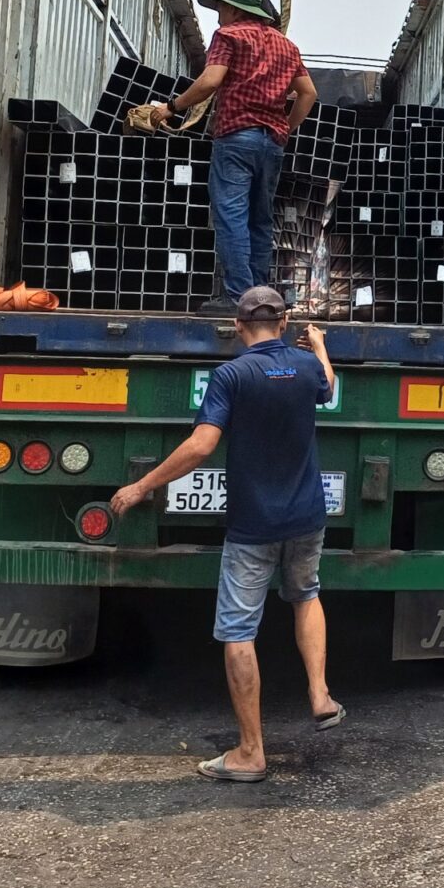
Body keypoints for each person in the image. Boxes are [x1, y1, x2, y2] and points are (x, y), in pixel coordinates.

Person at [110, 286, 346, 782]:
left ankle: (251, 753)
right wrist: (320, 345)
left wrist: (142, 485)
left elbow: (200, 446)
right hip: (308, 518)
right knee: (306, 593)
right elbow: (326, 381)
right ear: (283, 325)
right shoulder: (305, 370)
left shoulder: (232, 376)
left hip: (253, 526)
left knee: (240, 630)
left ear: (238, 328)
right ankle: (321, 695)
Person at [162, 0, 317, 314]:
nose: (218, 16)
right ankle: (261, 299)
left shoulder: (228, 36)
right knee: (260, 220)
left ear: (233, 8)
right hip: (271, 144)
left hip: (236, 137)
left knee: (231, 217)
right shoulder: (286, 46)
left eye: (220, 8)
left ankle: (238, 298)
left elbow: (211, 80)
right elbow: (309, 94)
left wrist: (171, 108)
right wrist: (283, 129)